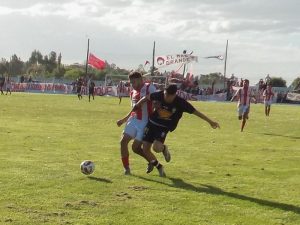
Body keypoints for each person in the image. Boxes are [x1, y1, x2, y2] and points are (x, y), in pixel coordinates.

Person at [124, 84, 220, 177]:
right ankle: (159, 167)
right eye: (165, 94)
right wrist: (138, 104)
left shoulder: (181, 103)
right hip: (151, 124)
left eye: (169, 96)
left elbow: (196, 112)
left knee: (156, 148)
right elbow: (146, 98)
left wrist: (210, 122)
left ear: (174, 94)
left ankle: (164, 148)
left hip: (163, 127)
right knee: (145, 149)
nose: (166, 97)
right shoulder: (159, 94)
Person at [116, 71, 156, 175]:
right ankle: (127, 169)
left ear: (140, 80)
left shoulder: (149, 88)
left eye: (134, 82)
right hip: (133, 120)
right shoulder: (132, 91)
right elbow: (134, 108)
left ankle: (152, 161)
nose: (132, 85)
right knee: (123, 141)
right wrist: (124, 119)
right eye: (131, 82)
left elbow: (157, 103)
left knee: (136, 148)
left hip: (145, 122)